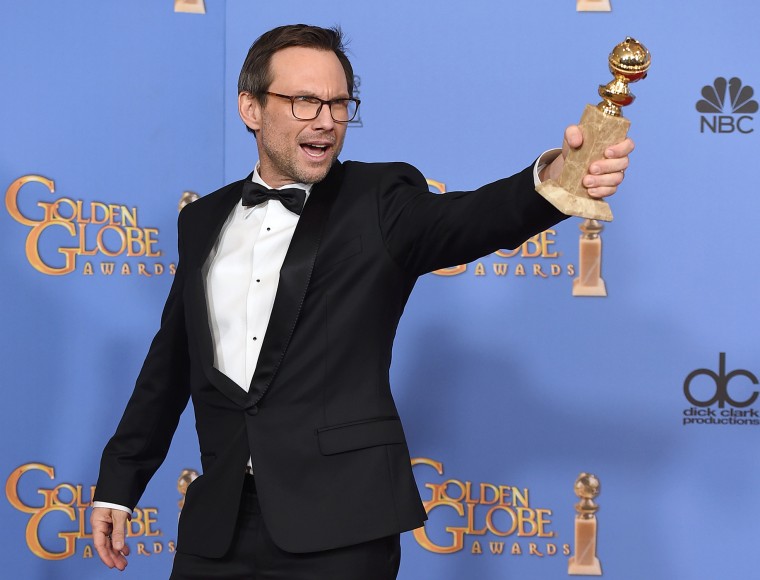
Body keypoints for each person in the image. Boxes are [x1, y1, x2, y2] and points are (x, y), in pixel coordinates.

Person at [91, 24, 633, 579]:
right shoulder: (202, 220)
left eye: (339, 103)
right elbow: (171, 362)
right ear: (250, 108)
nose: (326, 120)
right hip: (218, 529)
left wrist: (556, 179)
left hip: (341, 531)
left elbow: (471, 219)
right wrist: (119, 485)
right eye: (305, 102)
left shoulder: (378, 201)